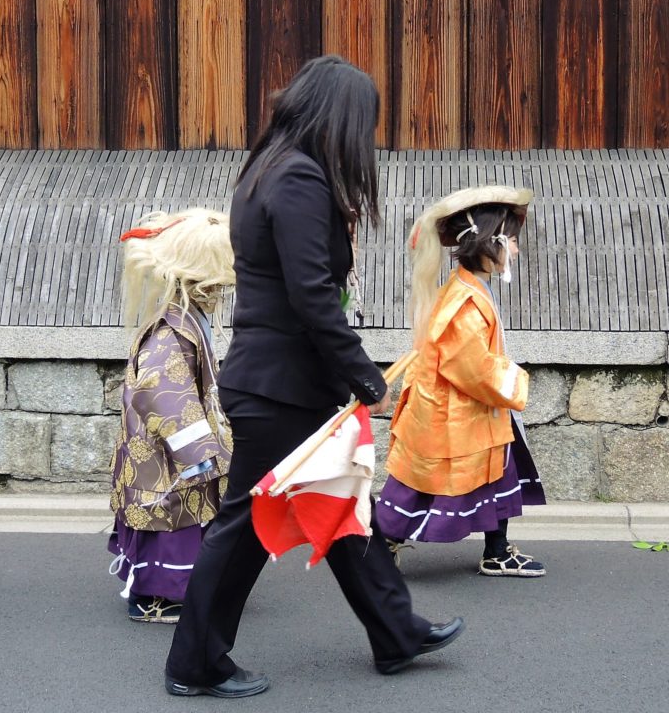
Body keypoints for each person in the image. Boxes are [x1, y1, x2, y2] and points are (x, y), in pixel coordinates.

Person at [164, 55, 464, 699]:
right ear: (339, 119)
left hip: (277, 381)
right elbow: (312, 297)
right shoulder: (298, 178)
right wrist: (367, 379)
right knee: (243, 525)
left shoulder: (265, 169)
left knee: (344, 502)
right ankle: (193, 663)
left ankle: (396, 633)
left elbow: (304, 288)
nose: (366, 141)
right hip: (280, 387)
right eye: (364, 126)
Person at [375, 186, 547, 577]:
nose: (517, 251)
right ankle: (381, 545)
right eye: (514, 242)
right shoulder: (464, 302)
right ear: (491, 243)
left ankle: (497, 550)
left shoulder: (467, 289)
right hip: (453, 414)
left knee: (497, 473)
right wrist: (516, 382)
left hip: (468, 412)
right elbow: (472, 367)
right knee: (423, 482)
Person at [108, 208, 236, 623]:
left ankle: (178, 589)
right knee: (172, 523)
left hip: (173, 452)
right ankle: (155, 599)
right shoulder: (171, 331)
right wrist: (200, 451)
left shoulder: (184, 322)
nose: (219, 294)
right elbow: (165, 397)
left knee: (185, 520)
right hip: (169, 457)